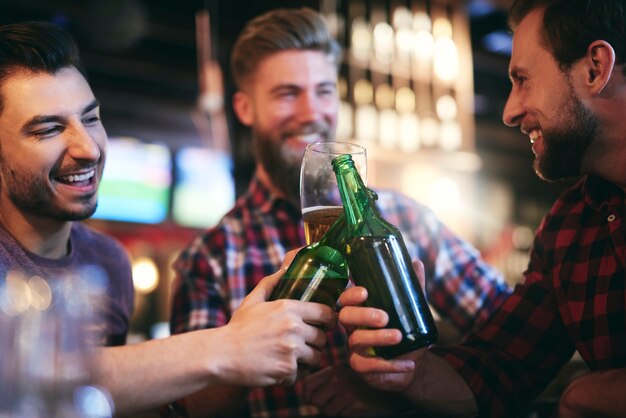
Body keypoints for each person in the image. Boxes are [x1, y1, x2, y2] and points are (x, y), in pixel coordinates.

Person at [169, 7, 511, 418]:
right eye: (287, 93)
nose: (312, 112)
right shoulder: (210, 256)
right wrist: (242, 350)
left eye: (324, 90)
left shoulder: (406, 216)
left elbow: (510, 334)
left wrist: (405, 382)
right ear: (244, 108)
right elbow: (191, 409)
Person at [0, 21, 335, 417]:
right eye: (49, 128)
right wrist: (228, 346)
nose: (88, 148)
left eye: (91, 119)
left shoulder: (108, 261)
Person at [338, 0, 626, 417]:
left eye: (523, 79)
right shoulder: (570, 226)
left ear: (595, 68)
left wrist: (593, 394)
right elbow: (498, 369)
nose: (509, 111)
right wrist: (410, 370)